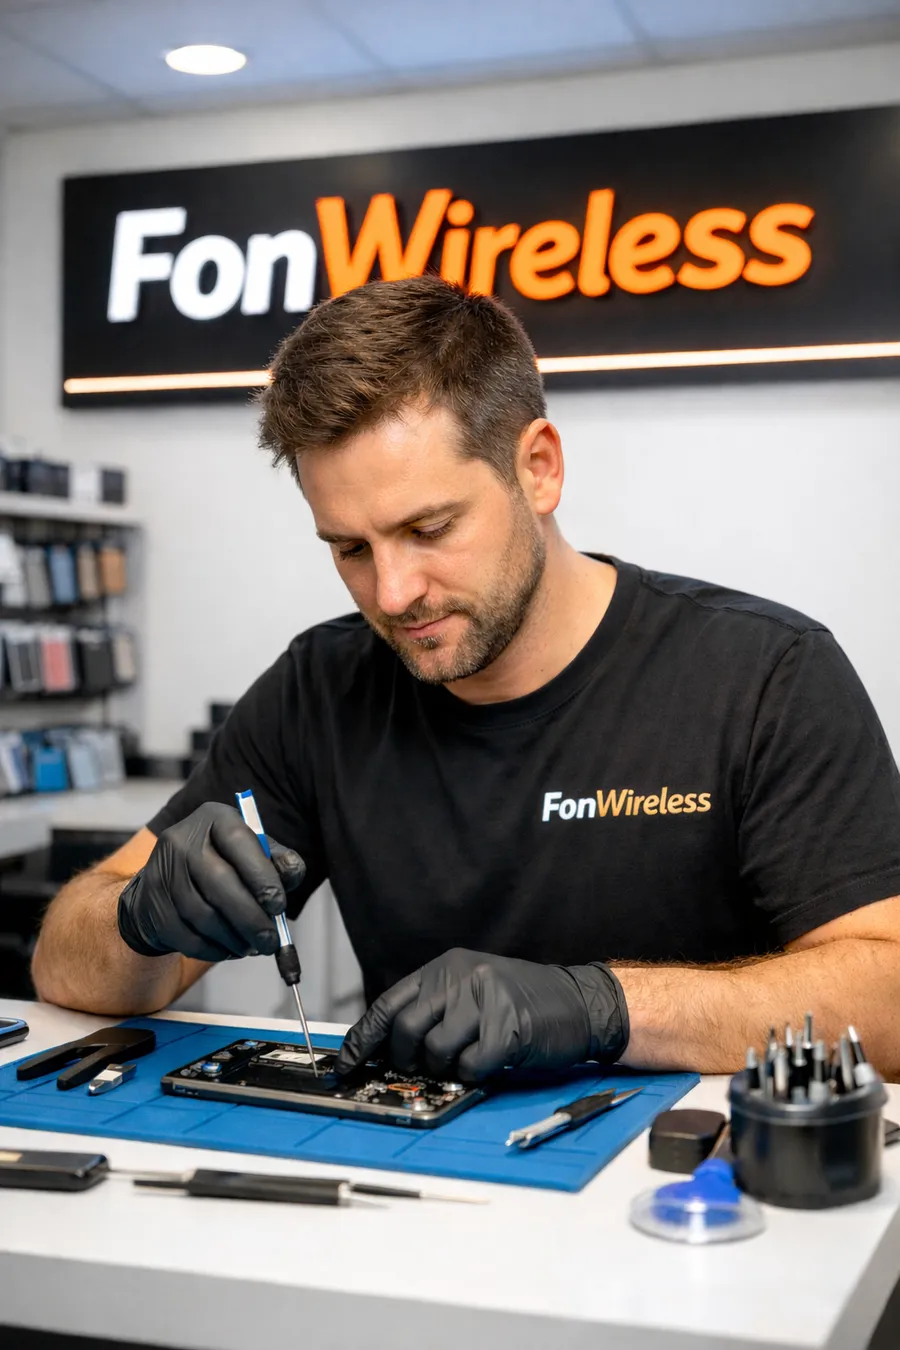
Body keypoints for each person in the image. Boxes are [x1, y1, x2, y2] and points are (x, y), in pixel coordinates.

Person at [33, 277, 900, 1082]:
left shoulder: (761, 674)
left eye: (430, 527)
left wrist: (606, 1006)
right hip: (416, 1188)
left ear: (539, 467)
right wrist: (139, 919)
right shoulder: (321, 688)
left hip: (693, 1203)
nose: (394, 592)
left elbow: (890, 995)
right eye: (349, 548)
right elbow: (63, 965)